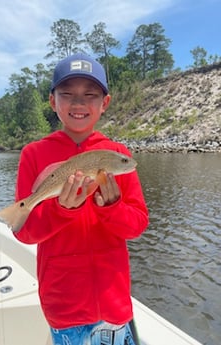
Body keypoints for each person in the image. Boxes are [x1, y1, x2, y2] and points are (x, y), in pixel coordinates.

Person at [14, 53, 149, 345]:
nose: (78, 103)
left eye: (90, 94)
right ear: (53, 101)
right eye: (67, 94)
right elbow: (24, 232)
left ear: (105, 103)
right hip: (63, 307)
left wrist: (112, 209)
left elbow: (137, 225)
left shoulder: (117, 156)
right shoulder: (33, 154)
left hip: (113, 307)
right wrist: (62, 210)